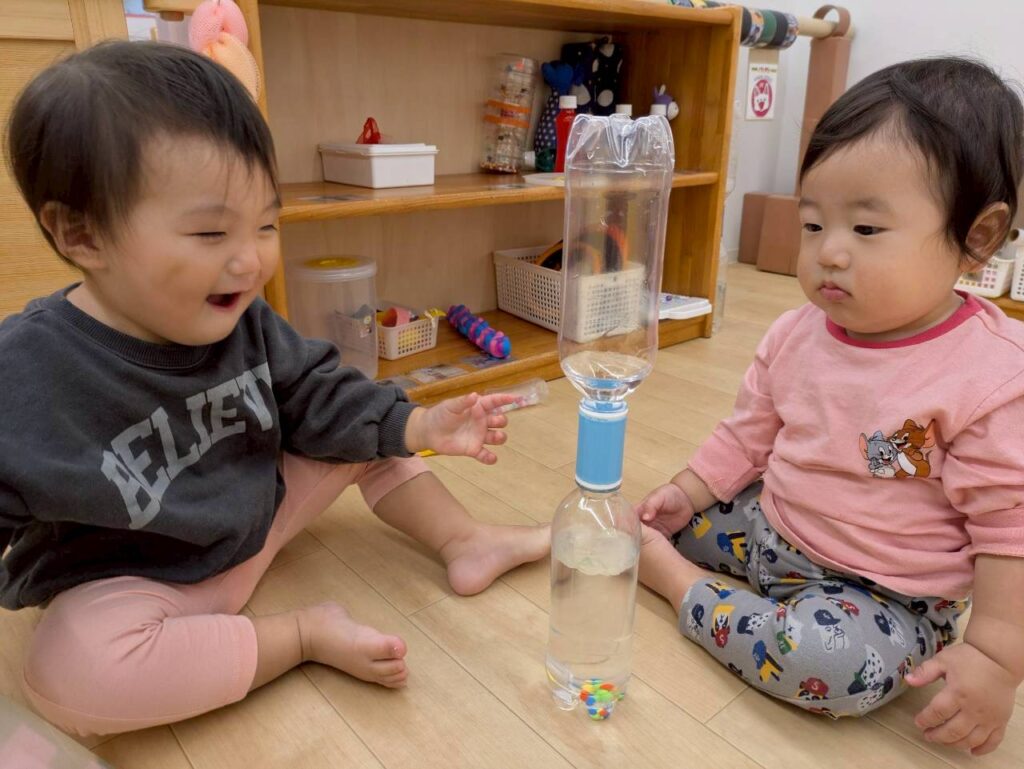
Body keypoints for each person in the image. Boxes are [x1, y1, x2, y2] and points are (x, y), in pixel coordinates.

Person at [1, 41, 549, 737]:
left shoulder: (243, 318)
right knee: (67, 671)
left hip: (258, 519)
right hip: (142, 585)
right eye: (211, 231)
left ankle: (465, 539)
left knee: (359, 427)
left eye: (265, 224)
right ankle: (300, 635)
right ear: (81, 234)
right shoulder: (26, 369)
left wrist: (420, 426)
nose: (251, 259)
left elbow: (322, 395)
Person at [636, 57, 1024, 756]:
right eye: (813, 224)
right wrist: (685, 492)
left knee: (821, 663)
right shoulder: (796, 333)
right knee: (654, 513)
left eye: (866, 230)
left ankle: (676, 583)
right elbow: (747, 436)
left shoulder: (990, 378)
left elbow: (1009, 533)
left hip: (886, 597)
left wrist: (995, 658)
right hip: (770, 527)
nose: (829, 253)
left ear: (978, 236)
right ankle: (695, 559)